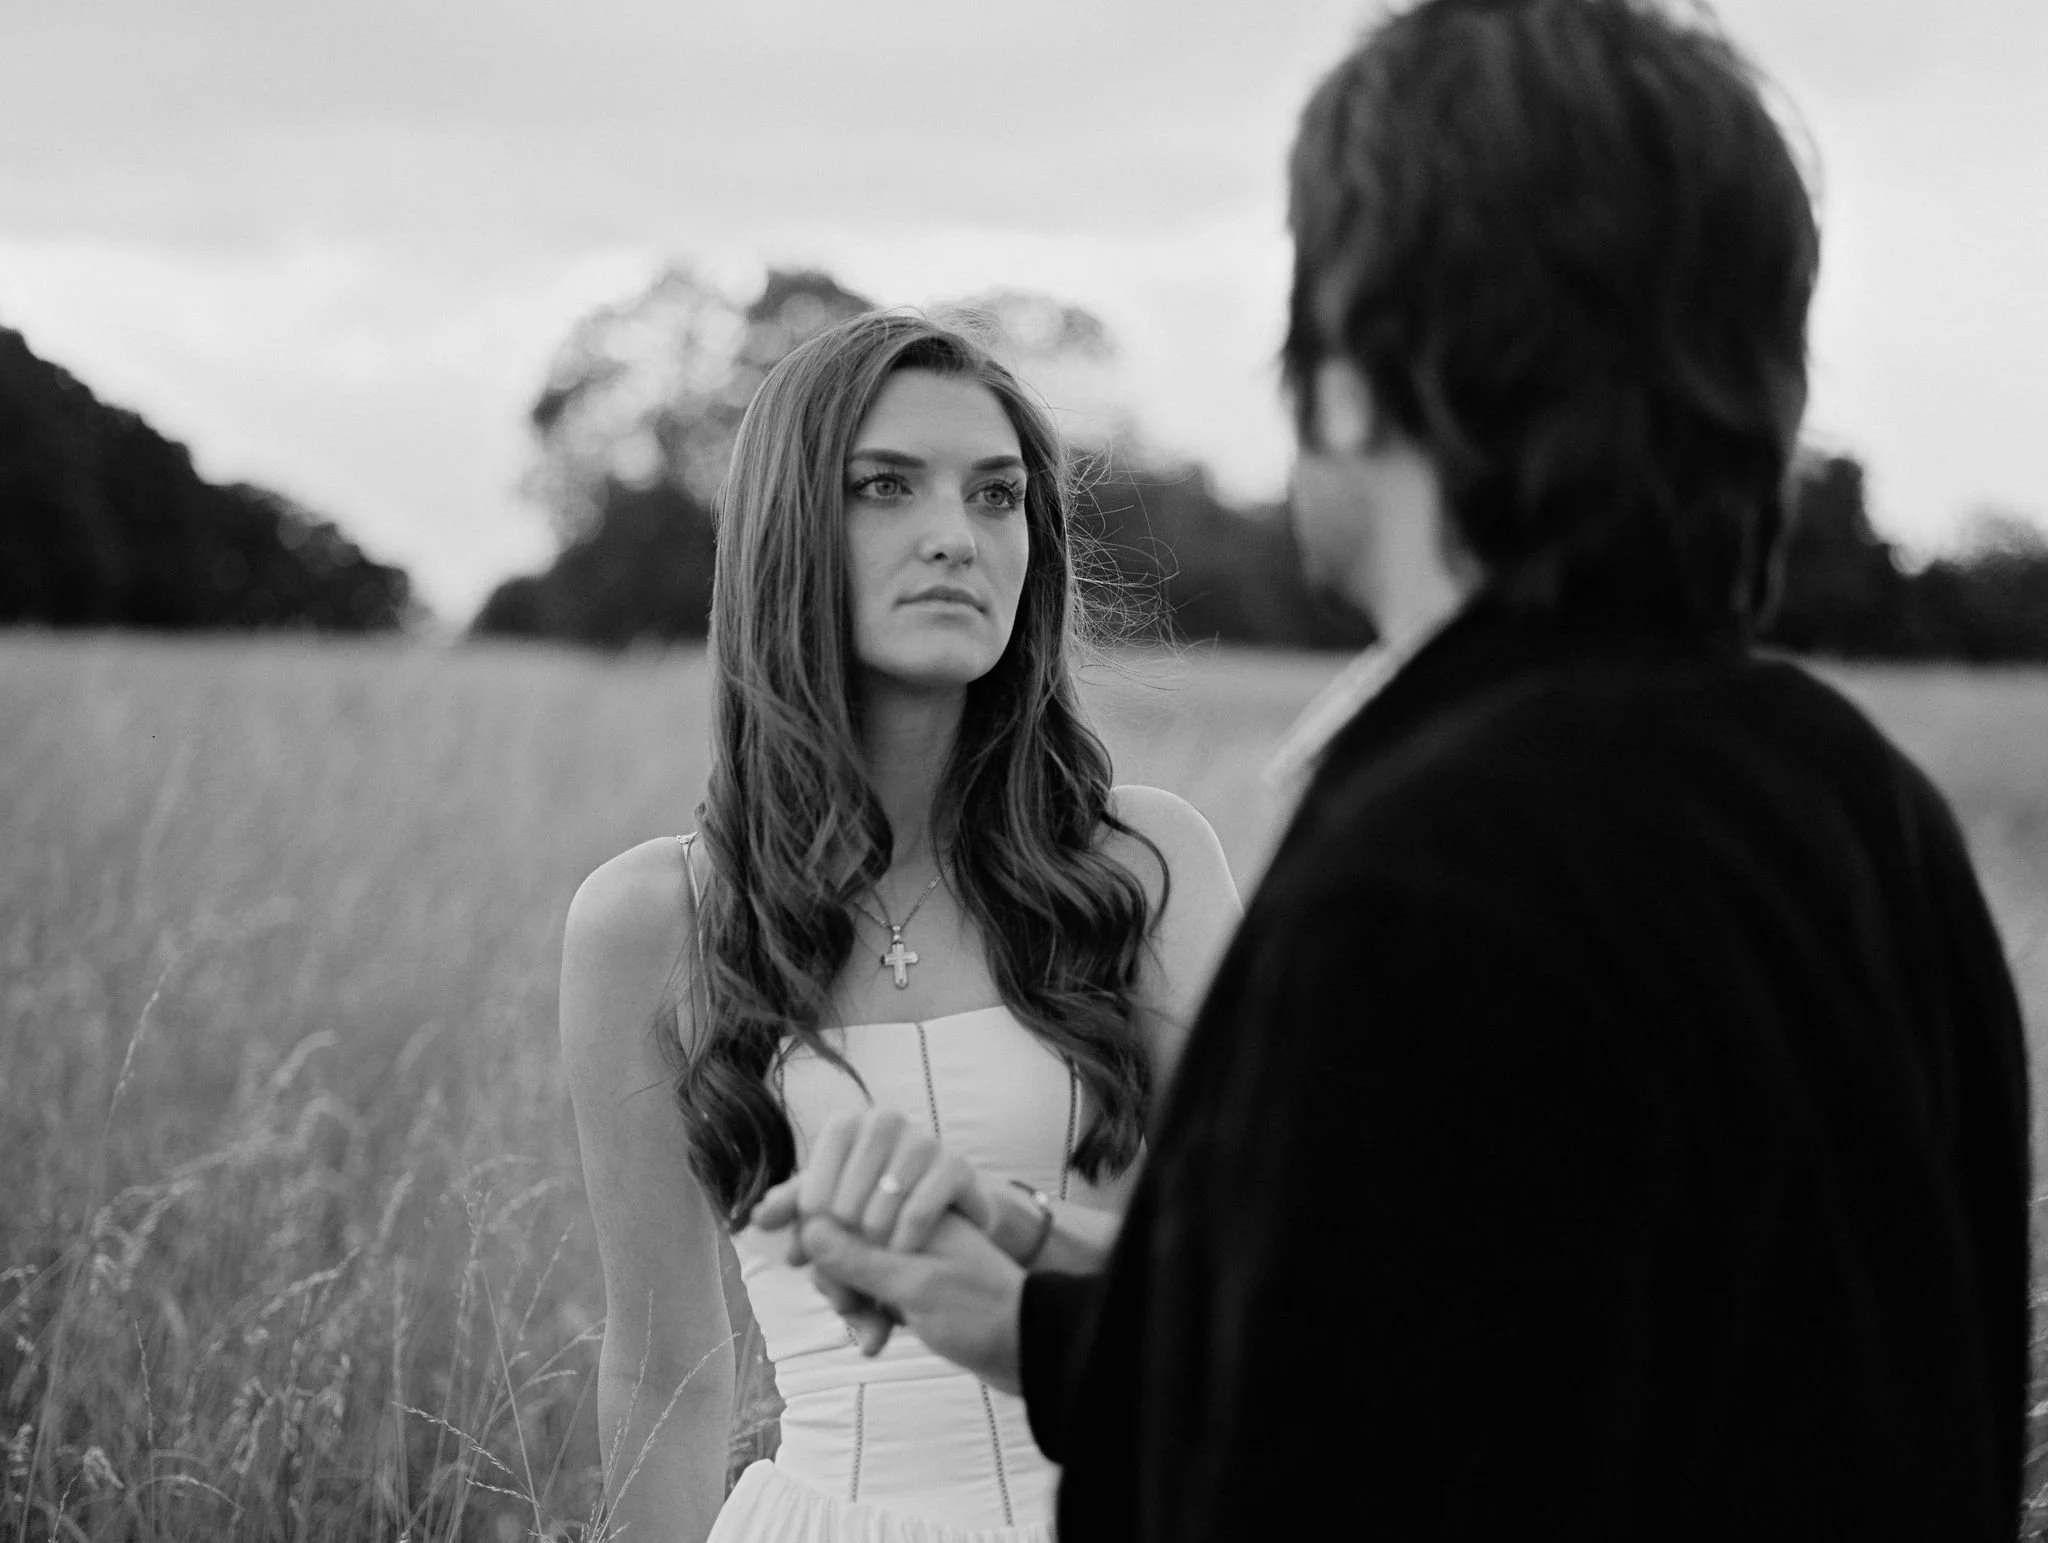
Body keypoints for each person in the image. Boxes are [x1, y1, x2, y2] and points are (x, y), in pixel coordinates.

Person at [758, 1, 2033, 1537]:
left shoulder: (1420, 877)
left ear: (1357, 365)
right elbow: (1502, 1375)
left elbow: (1292, 1486)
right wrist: (1037, 1310)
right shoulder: (1871, 809)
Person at [559, 310, 1242, 1542]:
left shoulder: (1145, 865)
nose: (953, 537)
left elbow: (1256, 1272)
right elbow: (666, 1374)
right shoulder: (649, 919)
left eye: (996, 495)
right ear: (785, 531)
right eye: (883, 486)